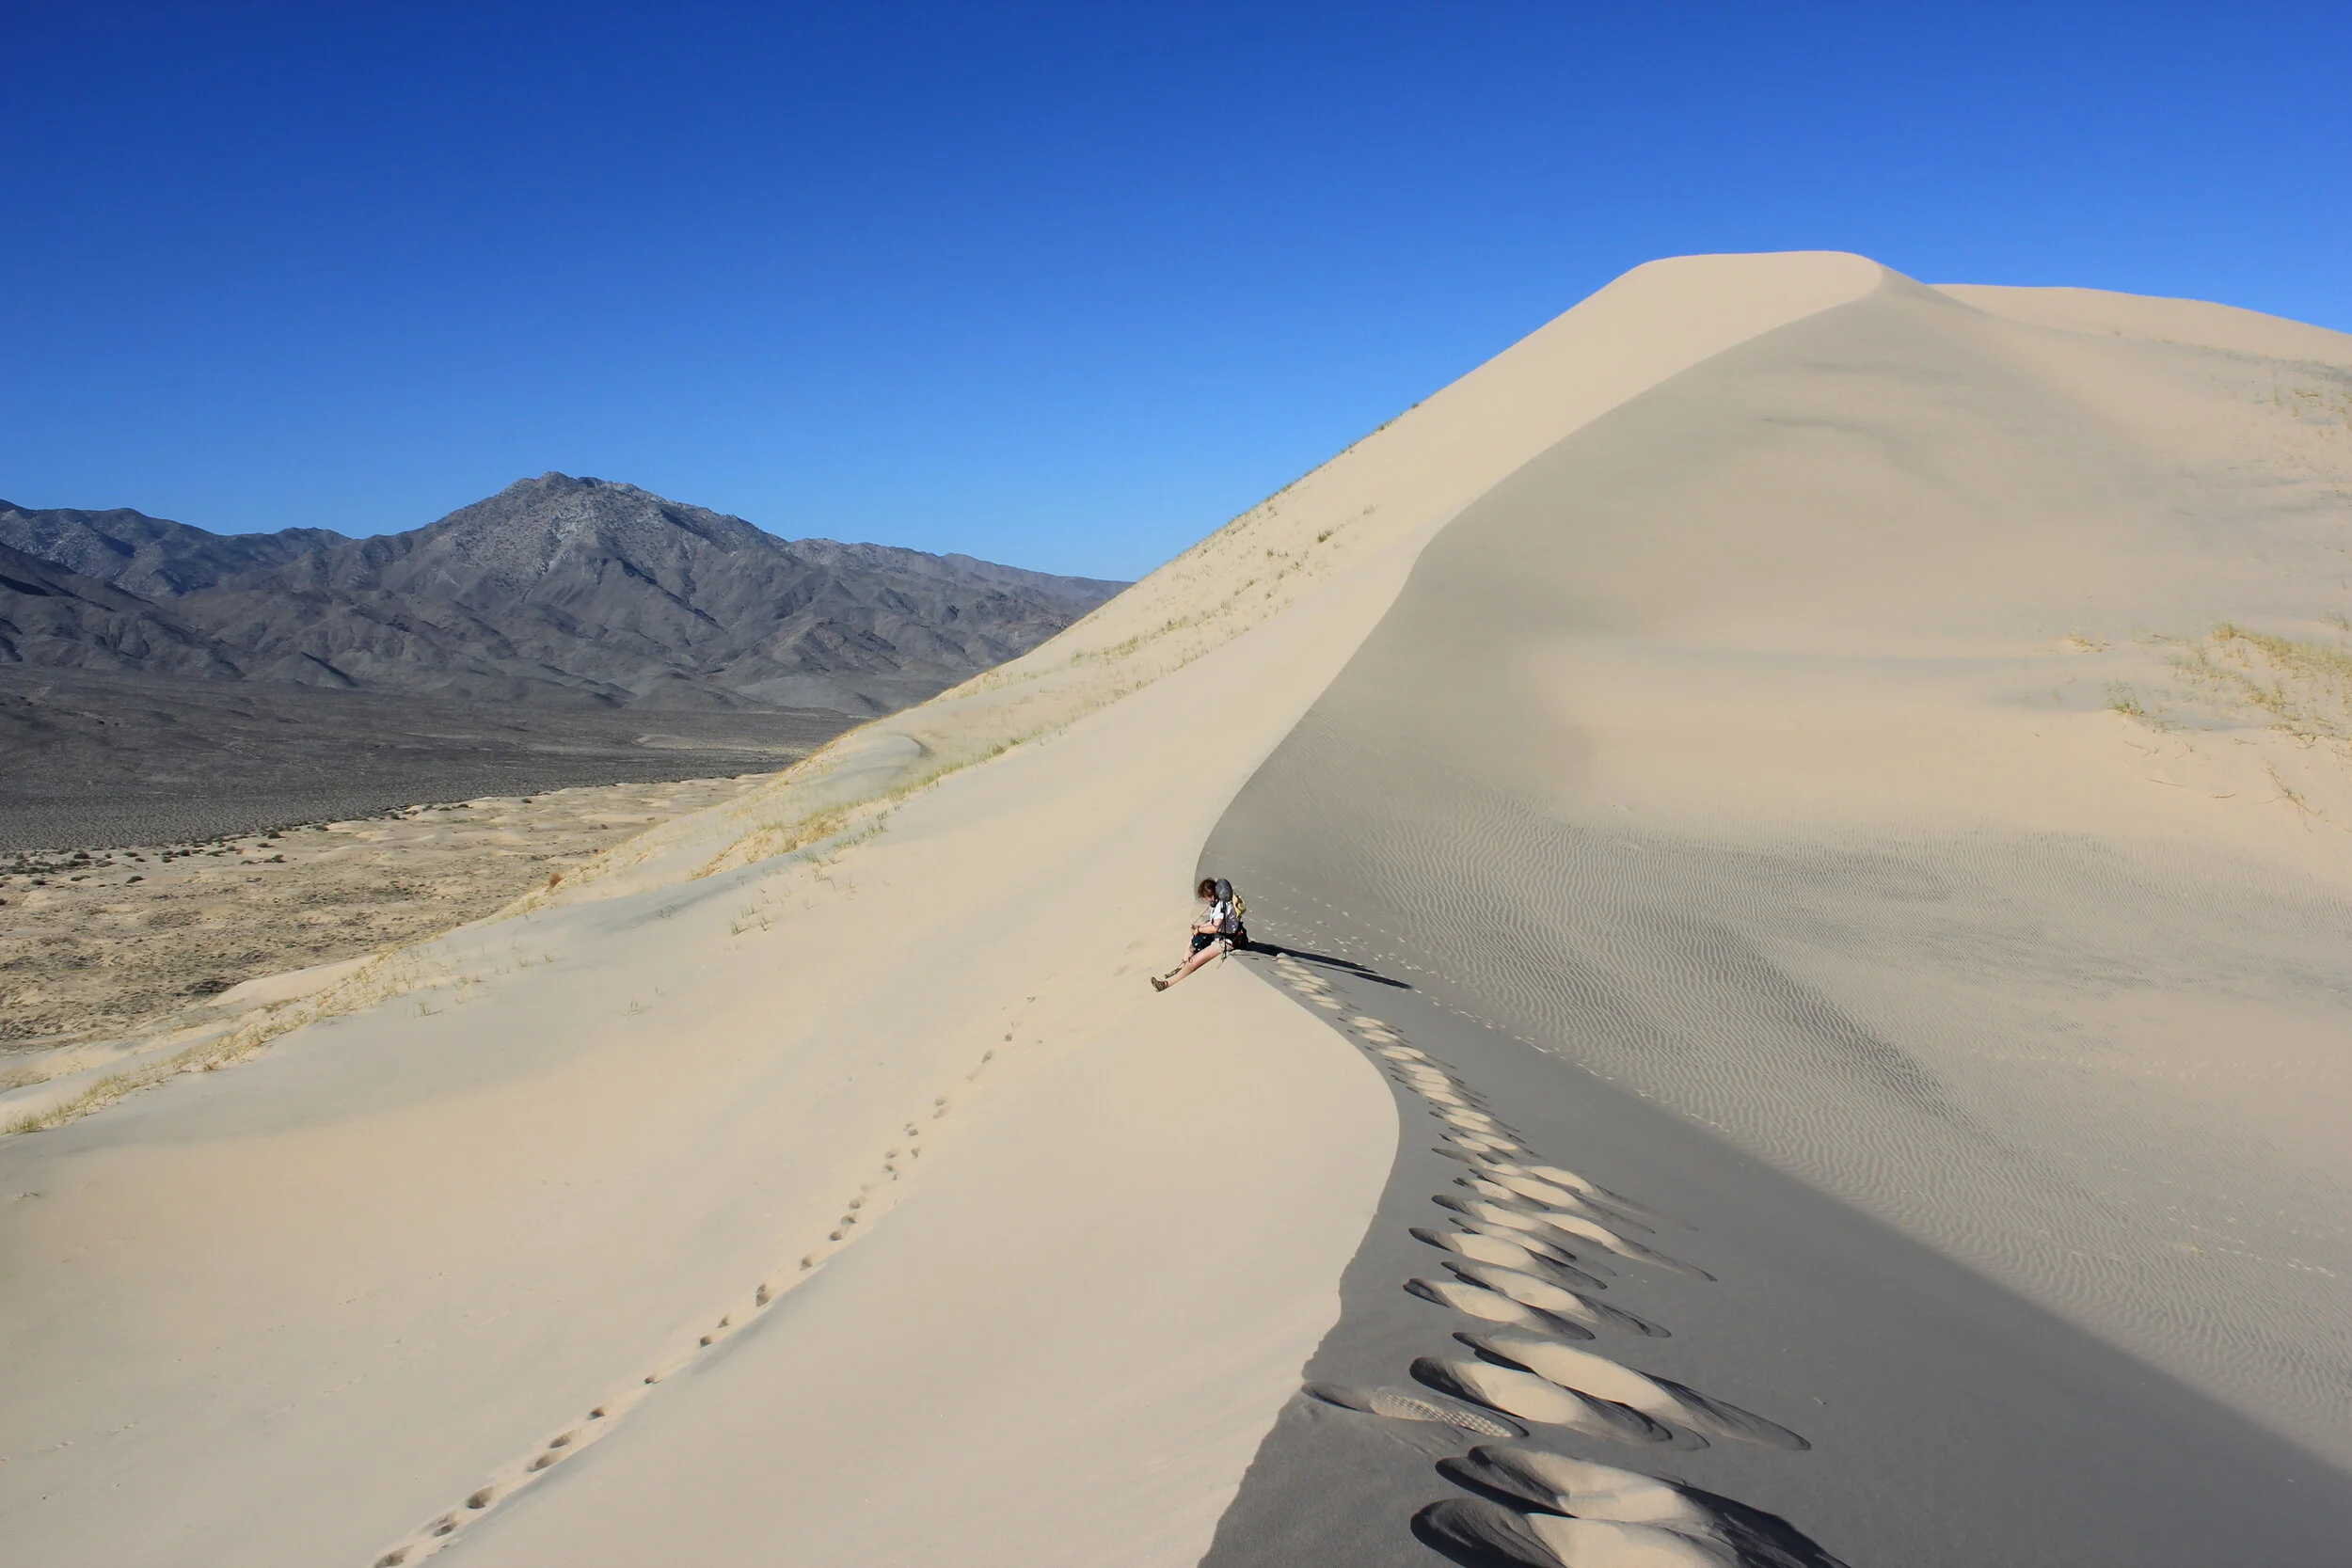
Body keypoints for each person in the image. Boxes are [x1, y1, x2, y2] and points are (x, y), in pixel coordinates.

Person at [1152, 877, 1239, 990]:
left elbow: (1215, 928)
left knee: (1193, 962)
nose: (1210, 898)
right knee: (1192, 942)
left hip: (1226, 941)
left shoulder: (1221, 906)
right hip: (1219, 936)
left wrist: (1199, 930)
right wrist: (1199, 928)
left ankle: (1166, 984)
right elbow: (1213, 923)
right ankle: (1182, 968)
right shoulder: (1219, 903)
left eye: (1210, 895)